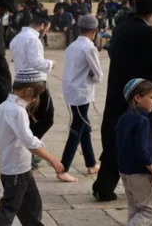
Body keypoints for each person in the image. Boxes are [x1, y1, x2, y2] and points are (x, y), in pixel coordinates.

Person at [93, 0, 152, 202]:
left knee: (116, 139)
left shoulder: (121, 29)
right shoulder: (150, 33)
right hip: (146, 97)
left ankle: (103, 186)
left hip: (120, 93)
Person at [0, 69, 63, 226]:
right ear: (28, 91)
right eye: (35, 96)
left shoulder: (2, 107)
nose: (35, 100)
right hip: (16, 170)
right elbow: (29, 142)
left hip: (20, 168)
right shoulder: (17, 111)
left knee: (32, 205)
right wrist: (52, 159)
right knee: (9, 208)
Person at [58, 15, 102, 182]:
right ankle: (63, 167)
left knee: (84, 126)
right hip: (82, 92)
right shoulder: (88, 48)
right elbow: (98, 75)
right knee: (77, 129)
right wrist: (92, 76)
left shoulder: (72, 46)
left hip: (72, 91)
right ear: (94, 31)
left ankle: (91, 163)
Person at [117, 79, 152, 226]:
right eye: (151, 97)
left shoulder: (124, 118)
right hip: (140, 174)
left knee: (134, 210)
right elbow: (142, 151)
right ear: (137, 98)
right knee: (149, 212)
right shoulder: (142, 121)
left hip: (126, 172)